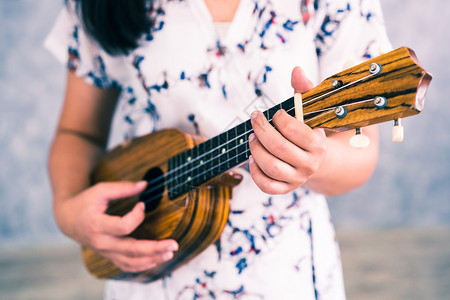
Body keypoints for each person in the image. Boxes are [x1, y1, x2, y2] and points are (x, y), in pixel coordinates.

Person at [45, 0, 391, 298]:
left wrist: (318, 160)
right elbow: (78, 131)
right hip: (149, 274)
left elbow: (360, 149)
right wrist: (68, 211)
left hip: (284, 276)